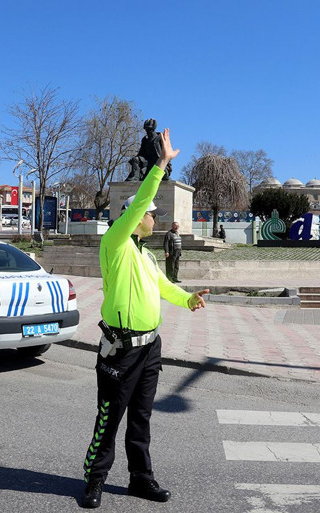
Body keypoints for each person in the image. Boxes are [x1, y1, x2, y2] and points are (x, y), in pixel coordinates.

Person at [81, 128, 209, 509]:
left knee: (140, 418)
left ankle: (141, 478)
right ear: (136, 219)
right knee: (109, 419)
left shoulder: (146, 255)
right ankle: (94, 479)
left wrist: (187, 299)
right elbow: (139, 206)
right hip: (120, 350)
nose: (155, 220)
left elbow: (161, 287)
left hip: (149, 347)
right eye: (153, 215)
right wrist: (161, 165)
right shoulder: (115, 245)